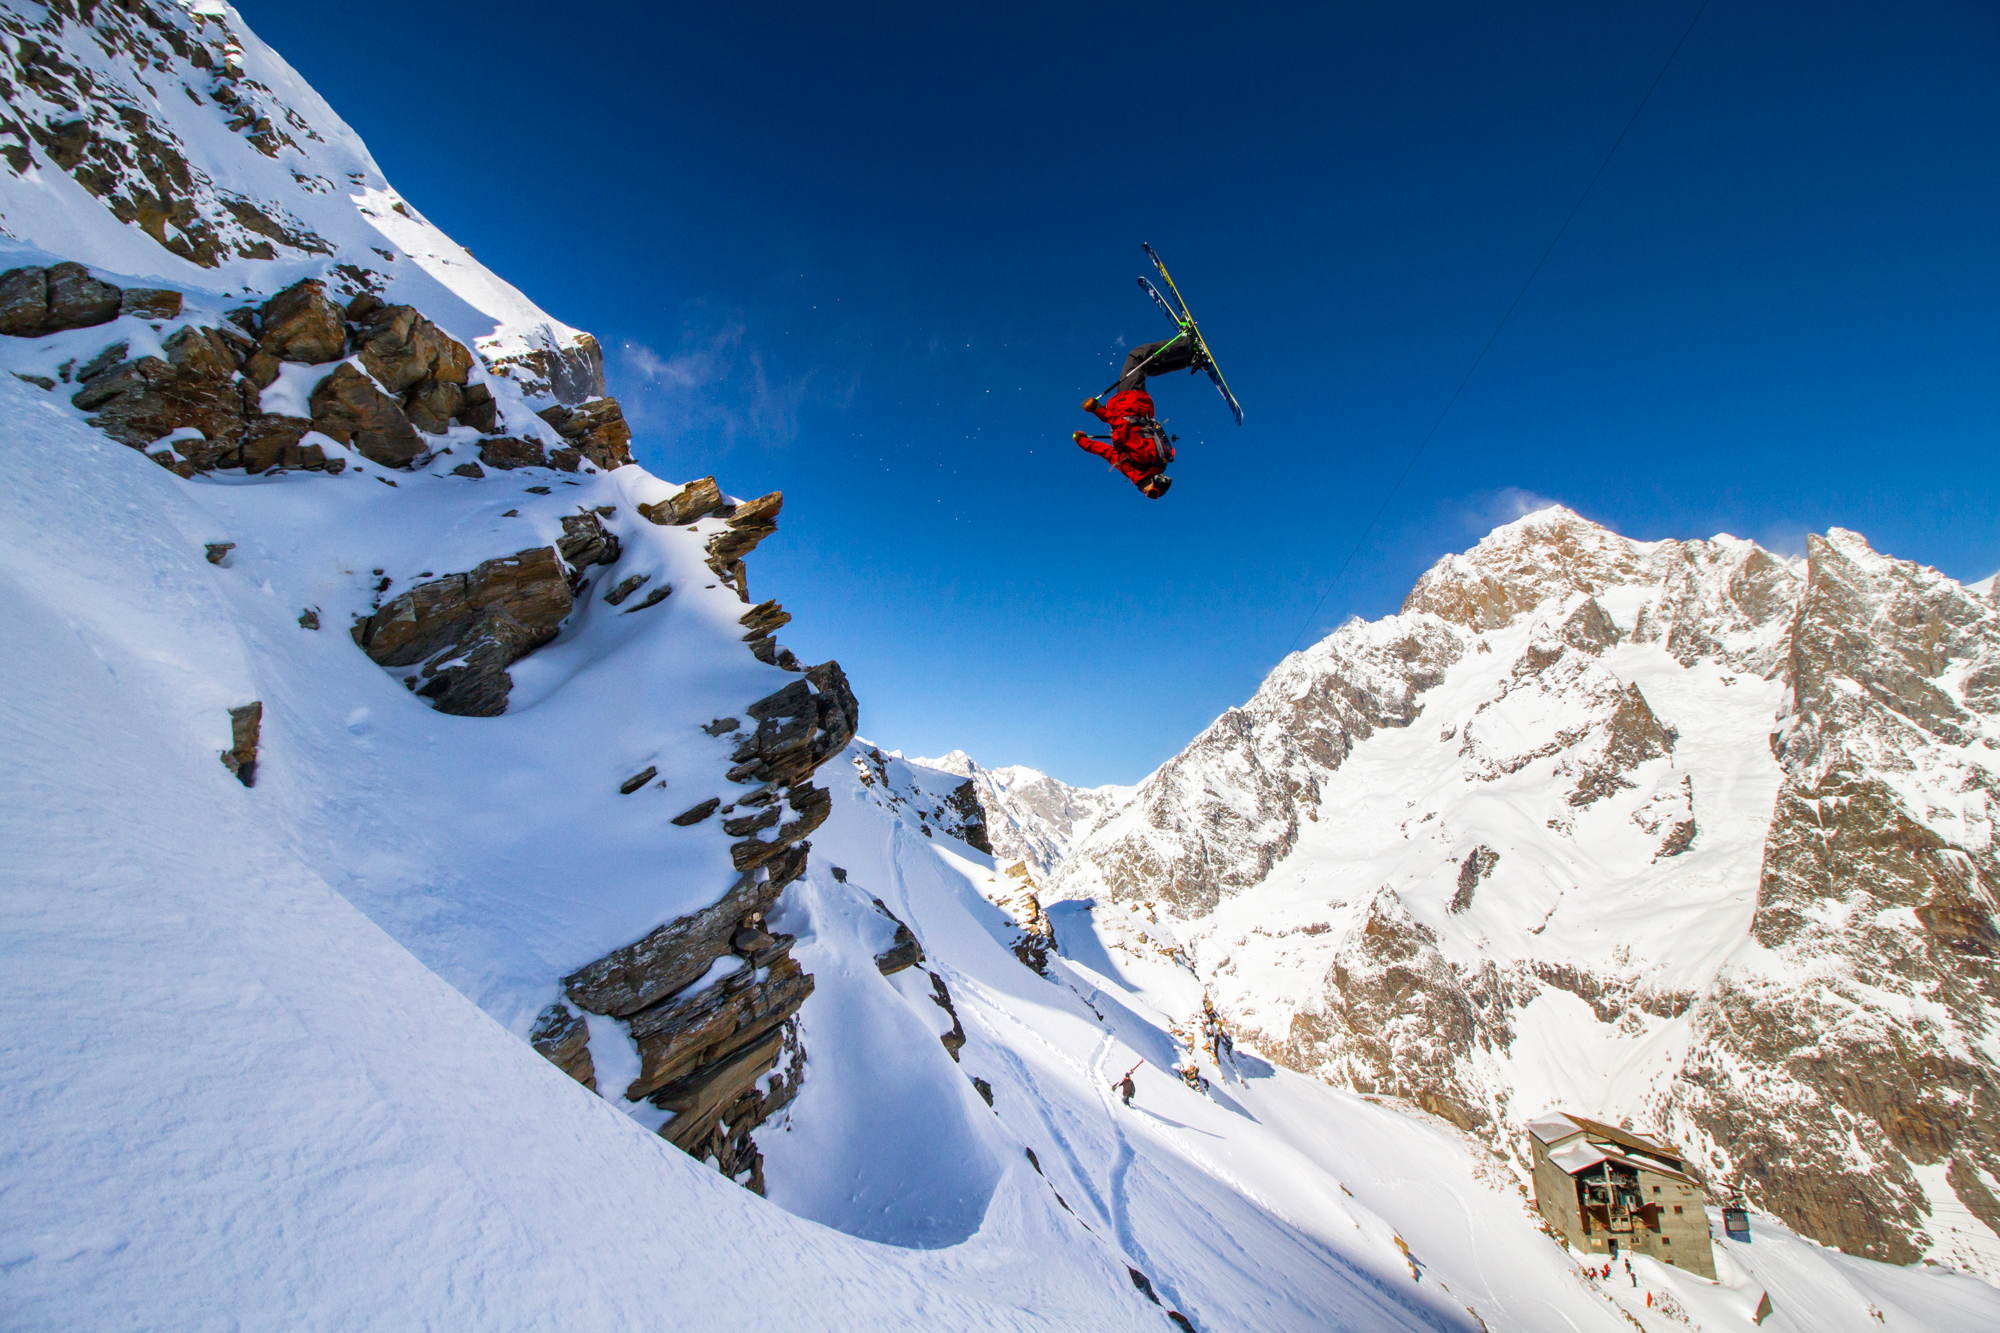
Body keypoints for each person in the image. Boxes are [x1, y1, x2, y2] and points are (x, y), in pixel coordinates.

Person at [1073, 333, 1208, 499]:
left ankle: (1191, 359)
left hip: (1125, 406)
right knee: (1136, 357)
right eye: (1151, 491)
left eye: (1148, 494)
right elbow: (1121, 427)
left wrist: (1083, 442)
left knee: (1144, 367)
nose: (1146, 493)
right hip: (1131, 404)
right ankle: (1187, 345)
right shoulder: (1143, 458)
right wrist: (1096, 409)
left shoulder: (1133, 470)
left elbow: (1107, 453)